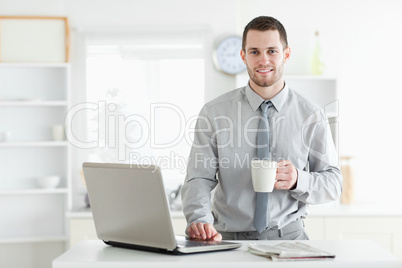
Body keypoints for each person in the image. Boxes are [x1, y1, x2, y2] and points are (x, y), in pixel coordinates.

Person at [181, 16, 342, 241]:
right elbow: (198, 178)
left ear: (286, 54)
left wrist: (298, 179)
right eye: (255, 52)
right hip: (225, 241)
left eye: (272, 51)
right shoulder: (214, 113)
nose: (263, 60)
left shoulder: (312, 115)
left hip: (290, 241)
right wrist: (199, 218)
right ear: (243, 56)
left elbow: (334, 183)